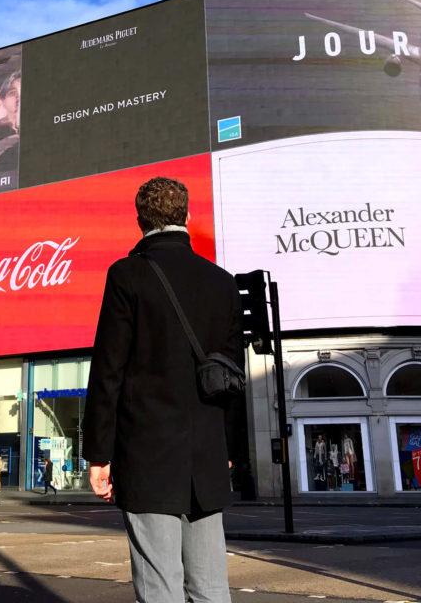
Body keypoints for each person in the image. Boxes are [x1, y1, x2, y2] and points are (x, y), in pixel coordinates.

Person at [84, 176, 243, 603]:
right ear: (188, 217)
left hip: (148, 453)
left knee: (160, 587)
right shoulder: (222, 282)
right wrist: (229, 445)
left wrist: (100, 454)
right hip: (207, 453)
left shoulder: (126, 276)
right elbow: (233, 377)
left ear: (140, 221)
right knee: (211, 588)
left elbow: (108, 371)